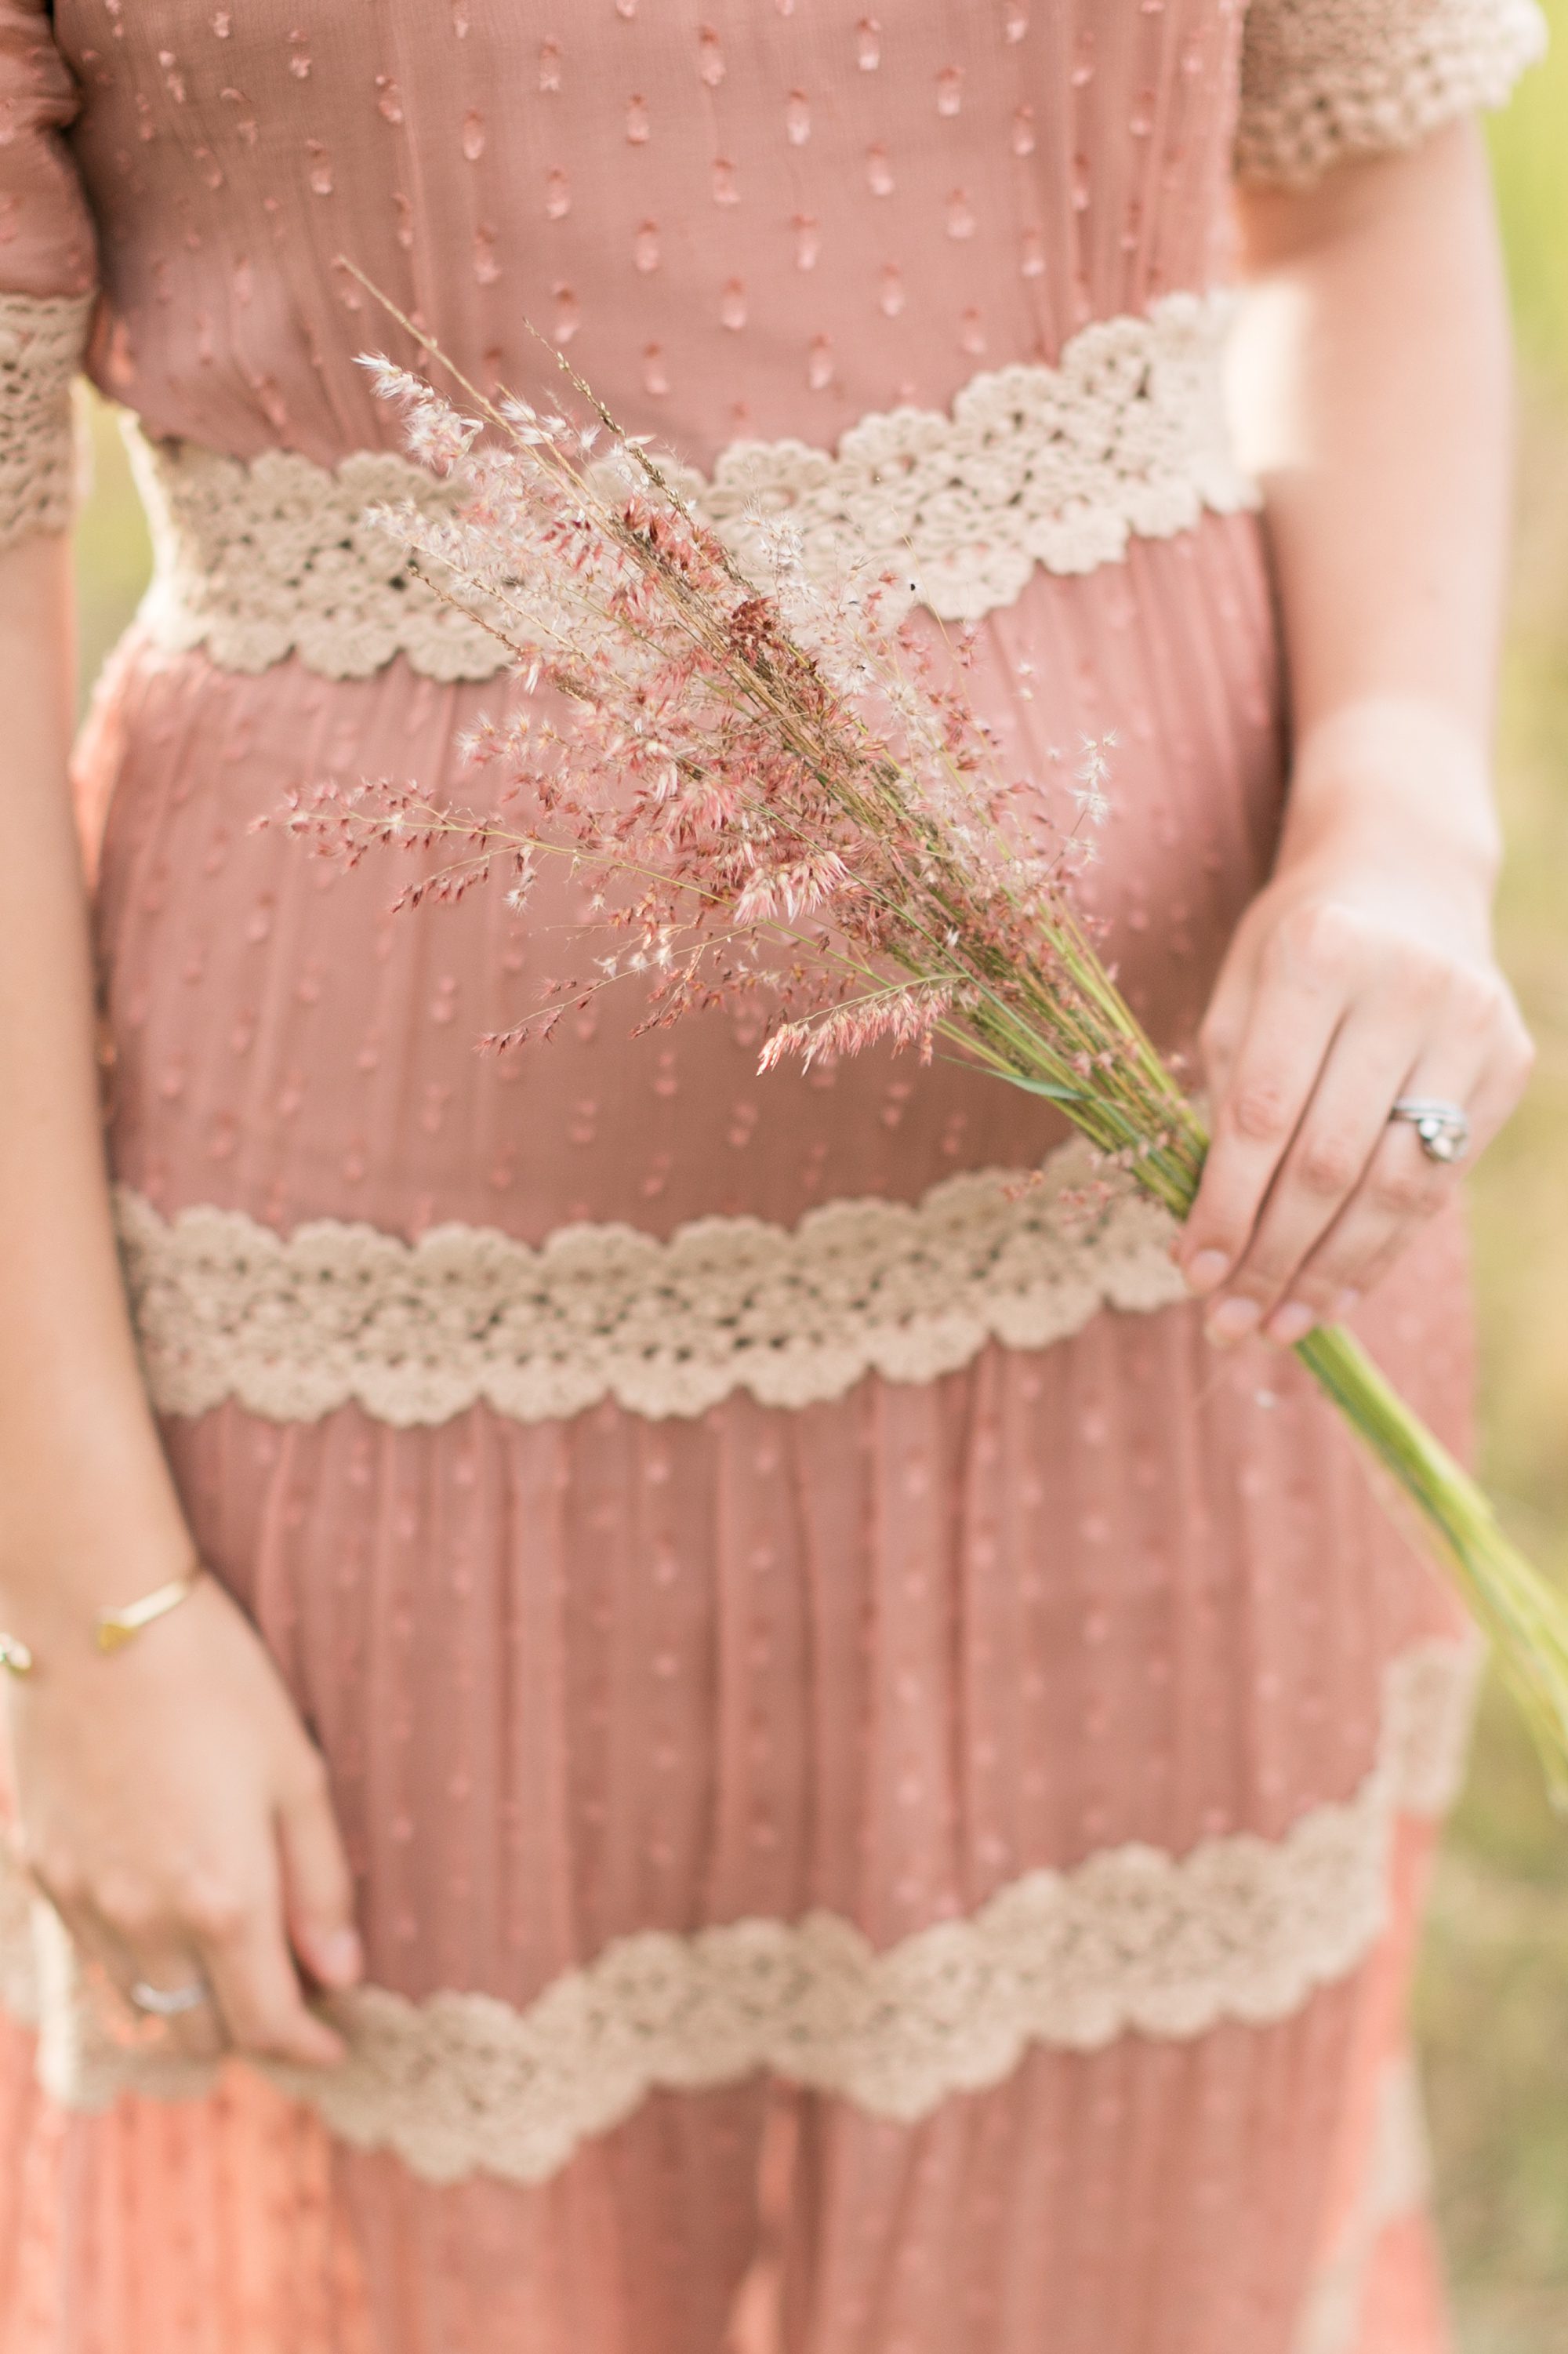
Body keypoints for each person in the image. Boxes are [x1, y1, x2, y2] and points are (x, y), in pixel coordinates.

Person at [0, 4, 1544, 2349]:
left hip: (1157, 1326)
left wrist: (1400, 823)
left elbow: (1351, 191)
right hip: (396, 1411)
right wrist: (91, 1620)